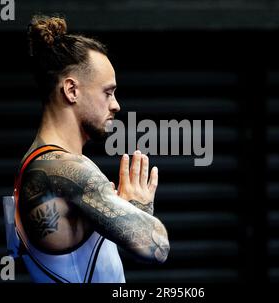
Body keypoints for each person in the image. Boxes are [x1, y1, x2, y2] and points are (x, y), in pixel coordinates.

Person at [10, 15, 170, 283]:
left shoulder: (37, 164)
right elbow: (157, 248)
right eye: (108, 92)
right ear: (71, 90)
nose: (116, 105)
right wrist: (136, 206)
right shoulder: (64, 169)